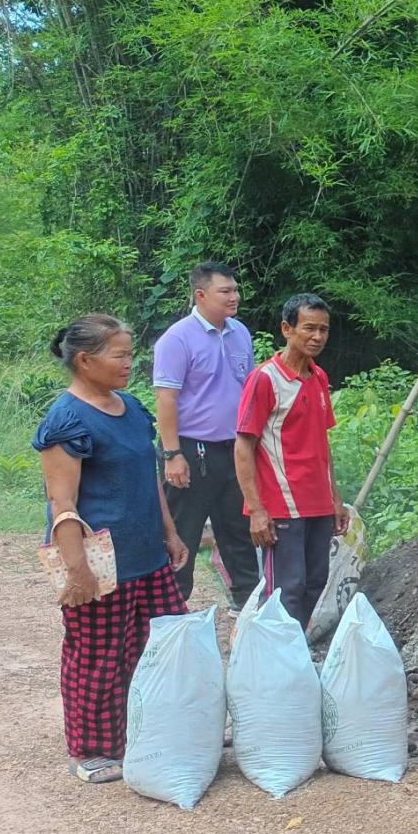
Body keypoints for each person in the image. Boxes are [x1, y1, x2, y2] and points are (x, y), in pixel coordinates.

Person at [33, 316, 190, 784]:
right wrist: (76, 570)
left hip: (147, 554)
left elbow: (148, 479)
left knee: (157, 647)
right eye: (119, 355)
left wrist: (170, 532)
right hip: (100, 560)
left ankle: (141, 729)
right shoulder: (68, 421)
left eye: (129, 352)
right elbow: (62, 502)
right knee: (97, 654)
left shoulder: (133, 408)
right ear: (85, 361)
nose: (130, 362)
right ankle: (92, 749)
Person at [234, 293, 348, 631]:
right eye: (309, 328)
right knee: (285, 589)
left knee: (315, 583)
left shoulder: (319, 378)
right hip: (281, 506)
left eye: (324, 330)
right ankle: (273, 670)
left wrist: (335, 500)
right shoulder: (265, 379)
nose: (317, 337)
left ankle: (292, 658)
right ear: (287, 328)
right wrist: (256, 509)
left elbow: (321, 443)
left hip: (317, 504)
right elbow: (243, 446)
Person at [153, 261, 259, 611]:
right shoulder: (177, 338)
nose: (235, 297)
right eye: (225, 291)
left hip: (234, 449)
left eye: (235, 290)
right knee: (183, 530)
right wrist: (172, 454)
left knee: (239, 529)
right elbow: (166, 398)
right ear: (201, 295)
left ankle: (248, 604)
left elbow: (248, 389)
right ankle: (170, 609)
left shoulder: (239, 332)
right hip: (189, 449)